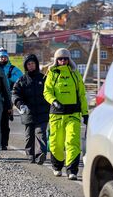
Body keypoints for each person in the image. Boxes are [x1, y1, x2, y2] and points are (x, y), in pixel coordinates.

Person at [43, 48, 89, 180]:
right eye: (60, 59)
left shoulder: (75, 74)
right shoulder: (52, 73)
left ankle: (72, 170)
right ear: (56, 60)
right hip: (56, 114)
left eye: (65, 59)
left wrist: (85, 114)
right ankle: (57, 167)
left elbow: (81, 95)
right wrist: (54, 101)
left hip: (73, 114)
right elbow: (47, 92)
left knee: (72, 142)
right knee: (56, 143)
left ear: (69, 60)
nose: (63, 61)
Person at [12, 54, 50, 164]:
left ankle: (40, 155)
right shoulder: (22, 80)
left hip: (42, 112)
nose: (31, 66)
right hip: (28, 113)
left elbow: (51, 91)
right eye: (28, 64)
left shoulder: (44, 78)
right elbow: (15, 93)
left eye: (33, 63)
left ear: (36, 64)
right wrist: (20, 104)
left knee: (41, 133)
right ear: (26, 66)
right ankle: (30, 155)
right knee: (29, 136)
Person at [0, 48, 23, 150]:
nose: (3, 58)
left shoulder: (13, 69)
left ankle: (4, 143)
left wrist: (9, 78)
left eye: (5, 57)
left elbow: (21, 80)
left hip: (8, 99)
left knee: (5, 123)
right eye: (1, 57)